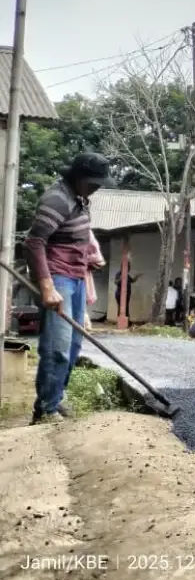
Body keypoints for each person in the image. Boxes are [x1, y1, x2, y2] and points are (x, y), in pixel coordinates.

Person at [23, 152, 115, 424]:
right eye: (94, 182)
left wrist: (87, 258)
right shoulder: (57, 199)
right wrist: (47, 286)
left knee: (74, 345)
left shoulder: (80, 199)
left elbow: (72, 238)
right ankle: (46, 411)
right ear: (79, 177)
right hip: (58, 278)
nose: (98, 187)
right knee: (57, 347)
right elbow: (34, 242)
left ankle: (53, 399)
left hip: (75, 276)